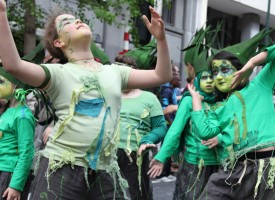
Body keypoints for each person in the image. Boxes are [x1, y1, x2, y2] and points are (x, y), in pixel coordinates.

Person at [0, 1, 172, 199]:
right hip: (61, 170)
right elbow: (13, 65)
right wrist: (2, 13)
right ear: (59, 42)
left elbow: (162, 75)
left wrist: (161, 39)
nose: (77, 21)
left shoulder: (116, 72)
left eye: (77, 19)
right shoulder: (57, 73)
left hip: (105, 171)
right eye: (67, 22)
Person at [189, 30, 275, 199]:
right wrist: (196, 100)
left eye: (225, 70)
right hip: (235, 169)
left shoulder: (260, 84)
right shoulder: (219, 108)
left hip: (268, 166)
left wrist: (252, 63)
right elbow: (205, 131)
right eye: (215, 72)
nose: (219, 77)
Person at [149, 26, 221, 199]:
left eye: (212, 76)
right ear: (196, 79)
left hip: (218, 167)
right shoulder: (189, 100)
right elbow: (175, 131)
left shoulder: (222, 101)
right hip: (193, 166)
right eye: (204, 77)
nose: (210, 81)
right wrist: (162, 157)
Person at [115, 44, 167, 200]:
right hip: (107, 155)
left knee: (135, 195)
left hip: (135, 157)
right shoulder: (107, 94)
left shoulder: (149, 98)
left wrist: (148, 140)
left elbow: (160, 127)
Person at [0, 74, 35, 200]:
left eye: (1, 81)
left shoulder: (22, 116)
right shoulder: (6, 112)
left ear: (16, 86)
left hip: (9, 175)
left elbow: (27, 152)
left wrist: (16, 185)